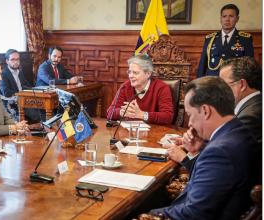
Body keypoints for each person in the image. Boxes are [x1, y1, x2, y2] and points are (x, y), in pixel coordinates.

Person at [151, 76, 257, 219]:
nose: (189, 124)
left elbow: (194, 214)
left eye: (190, 115)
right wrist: (194, 153)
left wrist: (148, 215)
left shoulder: (220, 151)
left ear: (206, 111)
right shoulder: (238, 131)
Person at [166, 57, 262, 174]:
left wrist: (184, 158)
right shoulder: (253, 105)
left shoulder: (250, 115)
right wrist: (195, 144)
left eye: (224, 85)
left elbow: (221, 156)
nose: (219, 91)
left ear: (241, 84)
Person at [106, 55, 173, 125]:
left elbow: (168, 117)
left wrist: (142, 115)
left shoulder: (161, 88)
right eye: (129, 72)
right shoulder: (125, 87)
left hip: (154, 132)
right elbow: (110, 113)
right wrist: (122, 112)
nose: (130, 76)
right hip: (129, 132)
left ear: (148, 74)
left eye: (135, 73)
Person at [197, 4, 254, 78]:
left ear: (237, 18)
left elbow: (249, 66)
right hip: (213, 83)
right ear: (220, 19)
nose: (227, 19)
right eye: (224, 16)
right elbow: (203, 64)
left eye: (231, 16)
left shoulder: (245, 39)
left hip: (234, 82)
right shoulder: (210, 39)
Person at [0, 49, 39, 122]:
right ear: (7, 61)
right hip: (13, 103)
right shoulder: (3, 74)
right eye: (13, 59)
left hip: (25, 99)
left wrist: (35, 90)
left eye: (17, 59)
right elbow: (6, 92)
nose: (16, 62)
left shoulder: (19, 71)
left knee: (43, 108)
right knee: (37, 115)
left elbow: (26, 85)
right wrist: (21, 93)